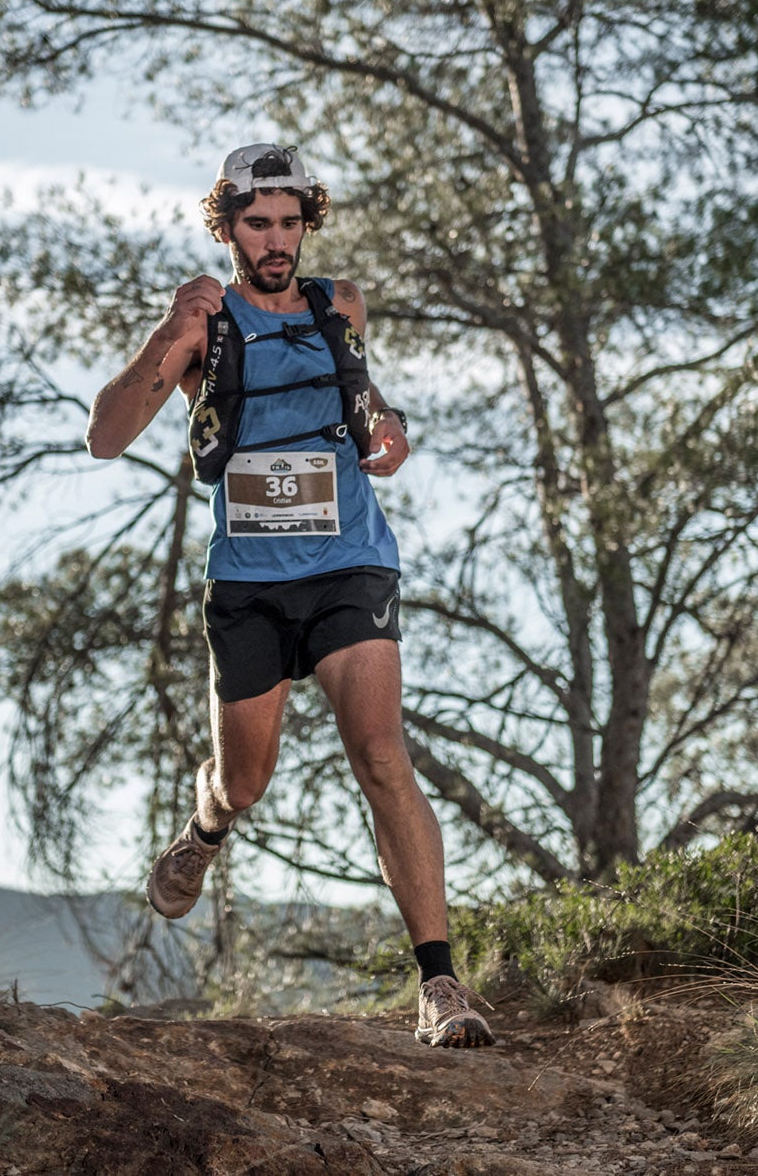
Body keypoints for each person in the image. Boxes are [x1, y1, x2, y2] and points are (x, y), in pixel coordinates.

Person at [85, 143, 493, 1048]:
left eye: (288, 222)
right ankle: (205, 822)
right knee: (248, 778)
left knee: (383, 756)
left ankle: (441, 985)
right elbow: (106, 436)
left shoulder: (337, 305)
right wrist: (166, 332)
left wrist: (388, 436)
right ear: (226, 225)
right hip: (250, 585)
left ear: (309, 221)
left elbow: (364, 408)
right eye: (255, 223)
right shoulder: (205, 321)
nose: (275, 241)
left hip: (351, 562)